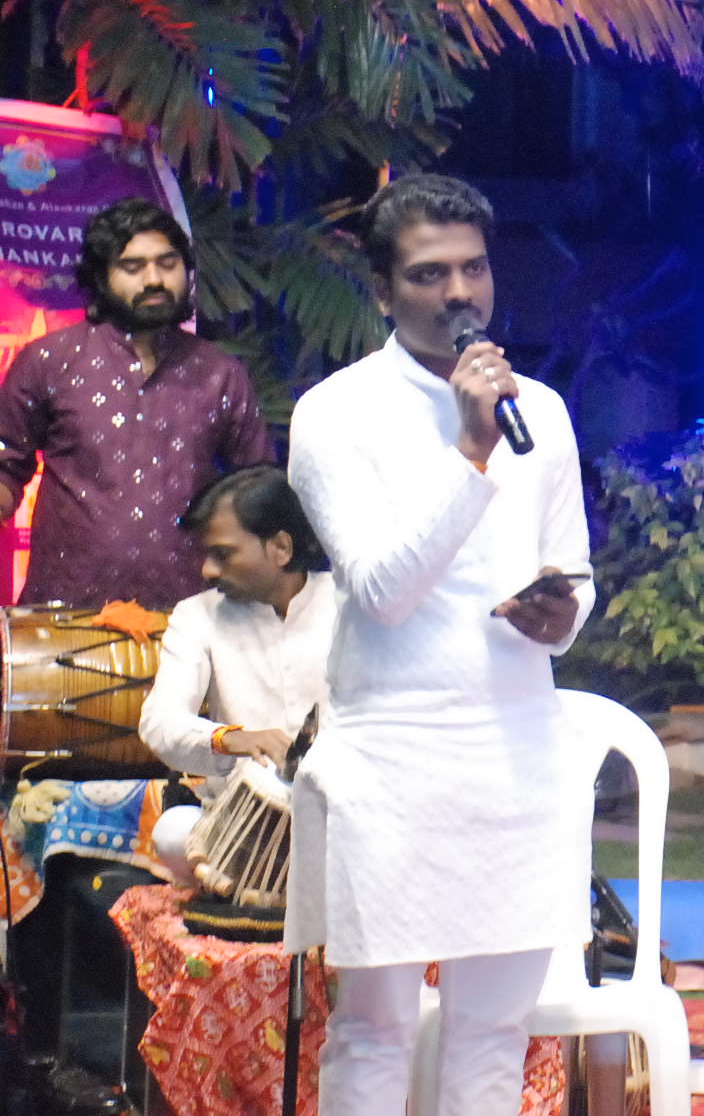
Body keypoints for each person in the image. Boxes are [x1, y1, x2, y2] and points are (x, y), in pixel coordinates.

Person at [285, 174, 594, 1116]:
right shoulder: (334, 413)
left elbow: (573, 570)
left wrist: (563, 616)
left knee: (495, 1033)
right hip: (391, 758)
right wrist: (470, 451)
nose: (460, 292)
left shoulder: (541, 409)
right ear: (383, 290)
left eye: (474, 268)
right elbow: (383, 594)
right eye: (429, 274)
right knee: (374, 1029)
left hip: (516, 753)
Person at [0, 197, 272, 607]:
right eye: (133, 267)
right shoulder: (50, 361)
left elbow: (258, 489)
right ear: (101, 278)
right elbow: (6, 466)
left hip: (187, 618)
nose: (154, 279)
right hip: (65, 614)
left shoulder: (220, 374)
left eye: (167, 263)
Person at [138, 466, 336, 801]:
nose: (207, 570)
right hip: (236, 813)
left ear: (281, 548)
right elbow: (160, 724)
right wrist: (230, 739)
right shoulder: (197, 616)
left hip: (339, 810)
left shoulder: (346, 606)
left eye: (223, 554)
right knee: (175, 828)